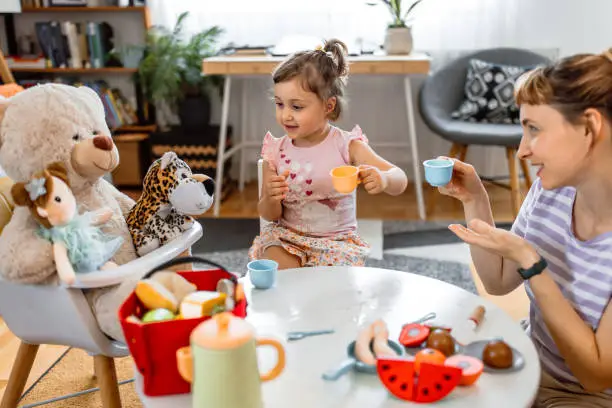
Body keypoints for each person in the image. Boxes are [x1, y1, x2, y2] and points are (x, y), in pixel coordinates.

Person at [441, 48, 612, 407]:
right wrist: (475, 200)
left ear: (590, 127)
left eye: (534, 129)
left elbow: (595, 373)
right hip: (529, 360)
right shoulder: (554, 190)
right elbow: (499, 281)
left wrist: (534, 265)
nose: (522, 150)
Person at [248, 38, 408, 269]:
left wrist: (384, 179)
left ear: (328, 106)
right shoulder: (275, 151)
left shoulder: (347, 145)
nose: (285, 115)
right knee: (276, 270)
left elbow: (399, 178)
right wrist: (270, 198)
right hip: (287, 238)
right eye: (279, 104)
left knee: (330, 288)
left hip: (337, 242)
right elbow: (269, 214)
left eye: (297, 107)